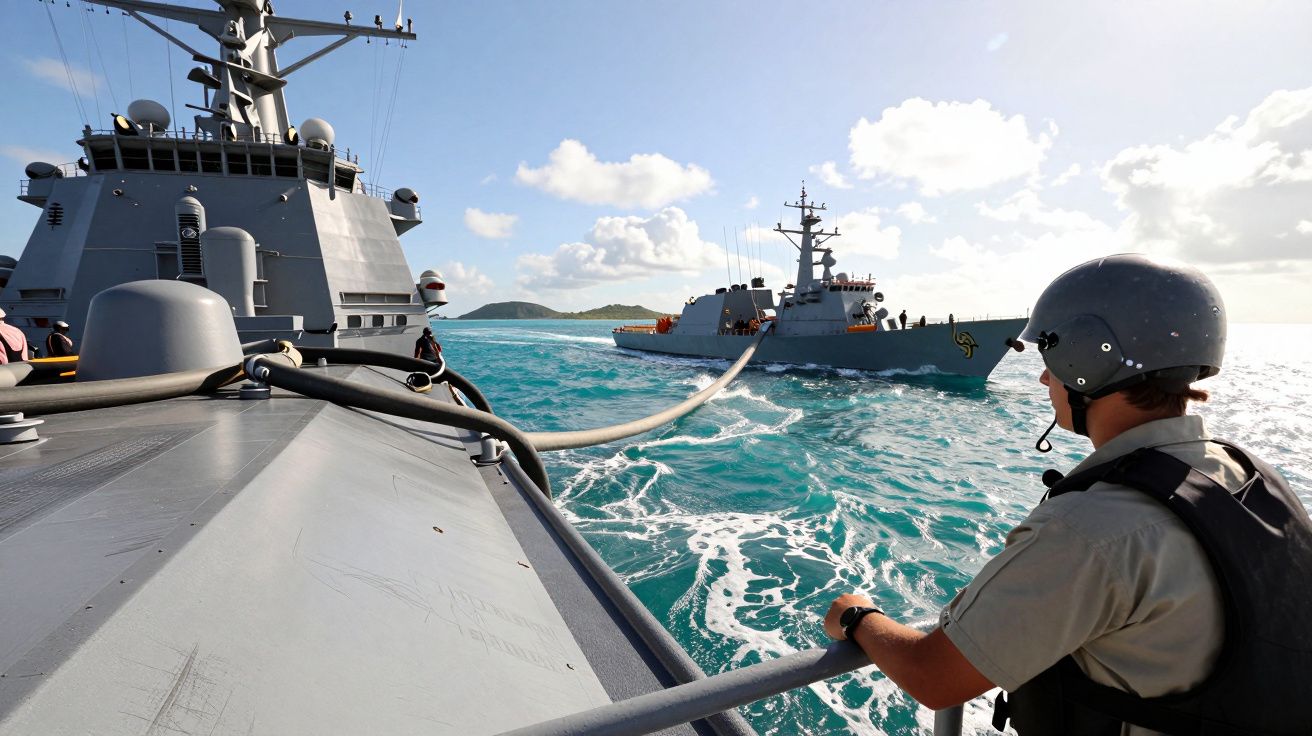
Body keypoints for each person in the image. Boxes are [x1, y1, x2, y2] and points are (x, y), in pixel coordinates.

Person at [822, 254, 1312, 734]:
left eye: (1050, 359)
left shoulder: (1090, 530)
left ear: (1086, 359)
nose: (1043, 377)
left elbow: (933, 677)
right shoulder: (1252, 476)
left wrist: (858, 617)